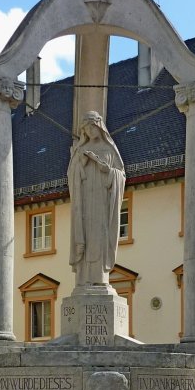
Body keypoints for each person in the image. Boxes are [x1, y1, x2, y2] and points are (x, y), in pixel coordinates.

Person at [67, 111, 126, 286]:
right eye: (86, 129)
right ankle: (83, 279)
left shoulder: (109, 150)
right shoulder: (80, 150)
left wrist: (108, 171)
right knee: (84, 235)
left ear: (99, 127)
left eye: (92, 127)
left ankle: (100, 278)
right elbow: (71, 175)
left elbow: (121, 176)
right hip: (84, 203)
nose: (90, 131)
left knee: (100, 235)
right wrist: (81, 164)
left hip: (102, 202)